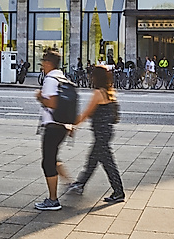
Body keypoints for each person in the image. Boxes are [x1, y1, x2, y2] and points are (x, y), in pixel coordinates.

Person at [65, 66, 125, 203]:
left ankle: (118, 192)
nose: (90, 77)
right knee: (92, 160)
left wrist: (73, 125)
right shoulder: (109, 91)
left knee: (108, 163)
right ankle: (80, 184)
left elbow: (87, 113)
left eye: (92, 75)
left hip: (101, 134)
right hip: (105, 132)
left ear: (96, 77)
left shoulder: (98, 93)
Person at [34, 50, 71, 211]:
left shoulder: (50, 79)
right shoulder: (61, 76)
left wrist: (40, 97)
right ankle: (69, 183)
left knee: (47, 162)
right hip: (62, 125)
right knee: (53, 158)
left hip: (53, 126)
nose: (42, 65)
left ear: (48, 63)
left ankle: (53, 200)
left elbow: (53, 103)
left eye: (43, 62)